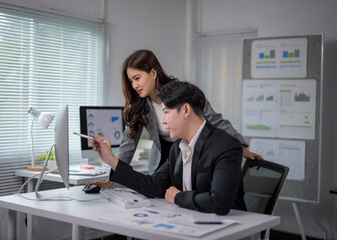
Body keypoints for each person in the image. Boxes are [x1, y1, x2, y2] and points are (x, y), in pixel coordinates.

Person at [89, 49, 262, 189]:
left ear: (153, 73)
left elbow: (214, 120)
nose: (134, 86)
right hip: (165, 155)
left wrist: (240, 146)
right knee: (157, 193)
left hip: (188, 149)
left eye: (137, 78)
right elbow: (128, 143)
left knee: (186, 196)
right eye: (131, 81)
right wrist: (110, 181)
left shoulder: (180, 93)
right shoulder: (140, 106)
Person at [87, 81, 246, 215]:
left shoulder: (226, 146)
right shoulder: (177, 147)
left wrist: (178, 197)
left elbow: (220, 202)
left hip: (227, 228)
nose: (162, 121)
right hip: (191, 223)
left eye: (166, 112)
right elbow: (153, 186)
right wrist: (112, 160)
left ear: (185, 110)